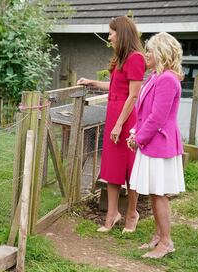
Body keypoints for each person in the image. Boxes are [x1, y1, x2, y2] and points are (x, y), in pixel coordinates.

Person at [77, 16, 145, 232]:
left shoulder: (136, 58)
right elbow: (115, 87)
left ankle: (132, 213)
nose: (109, 37)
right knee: (113, 168)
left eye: (111, 33)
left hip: (126, 119)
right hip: (114, 113)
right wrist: (92, 81)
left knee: (130, 169)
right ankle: (112, 213)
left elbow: (133, 95)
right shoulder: (120, 58)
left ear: (122, 33)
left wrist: (118, 125)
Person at [127, 32, 185, 258]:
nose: (146, 54)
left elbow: (157, 118)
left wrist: (139, 138)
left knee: (159, 193)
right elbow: (144, 113)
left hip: (160, 145)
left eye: (150, 50)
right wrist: (135, 132)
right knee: (153, 191)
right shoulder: (154, 76)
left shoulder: (168, 79)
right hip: (150, 142)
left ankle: (167, 242)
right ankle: (157, 236)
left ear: (161, 53)